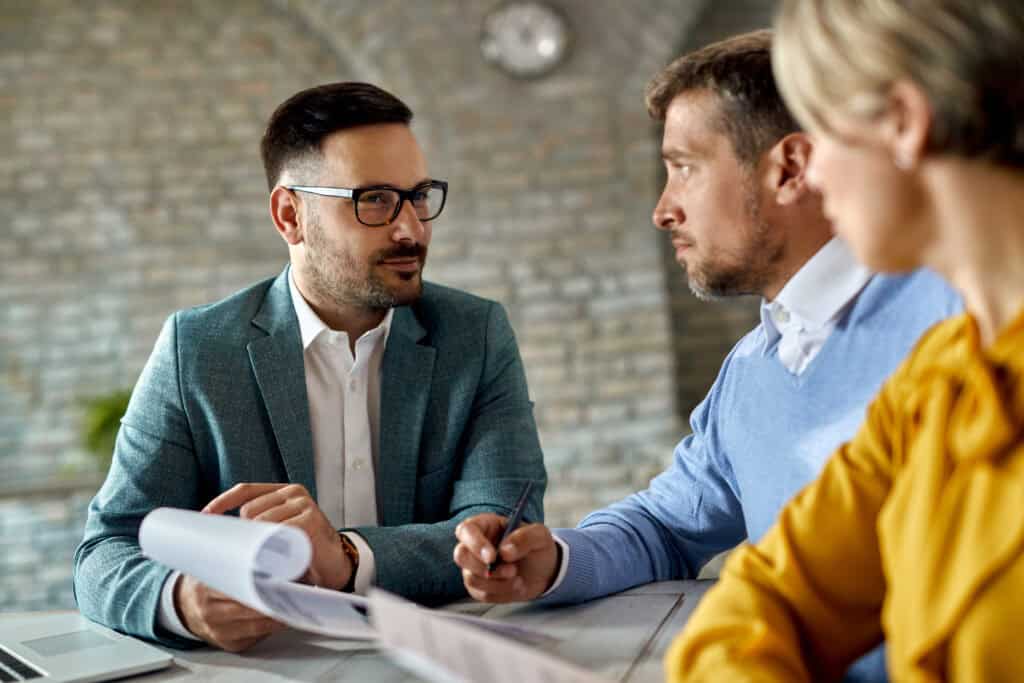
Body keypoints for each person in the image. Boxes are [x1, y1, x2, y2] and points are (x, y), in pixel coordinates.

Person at [452, 30, 961, 681]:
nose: (663, 210)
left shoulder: (958, 317)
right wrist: (550, 558)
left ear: (791, 169)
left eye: (685, 166)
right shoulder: (752, 368)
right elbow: (665, 526)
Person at [73, 82, 546, 652]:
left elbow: (500, 527)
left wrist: (349, 558)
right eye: (374, 199)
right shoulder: (196, 349)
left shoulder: (476, 335)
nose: (411, 229)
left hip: (437, 660)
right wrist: (180, 601)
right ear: (290, 215)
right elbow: (106, 551)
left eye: (418, 195)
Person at [668, 1, 1024, 681]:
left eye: (824, 131)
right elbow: (762, 600)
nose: (815, 174)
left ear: (902, 123)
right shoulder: (939, 382)